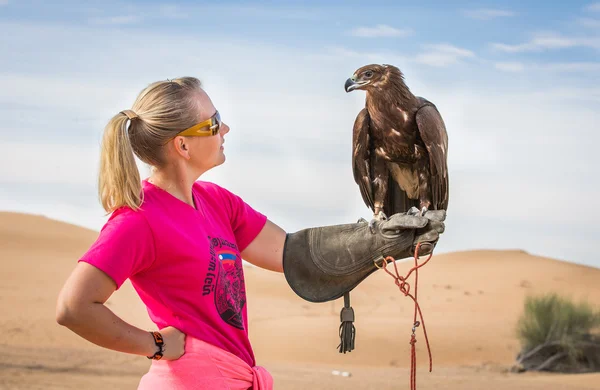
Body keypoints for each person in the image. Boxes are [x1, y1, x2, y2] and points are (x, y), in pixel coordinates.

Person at [55, 76, 445, 390]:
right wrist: (155, 345)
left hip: (237, 376)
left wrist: (380, 238)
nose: (225, 127)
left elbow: (292, 254)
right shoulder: (138, 219)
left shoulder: (217, 201)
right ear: (182, 145)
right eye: (213, 122)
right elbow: (74, 307)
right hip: (187, 381)